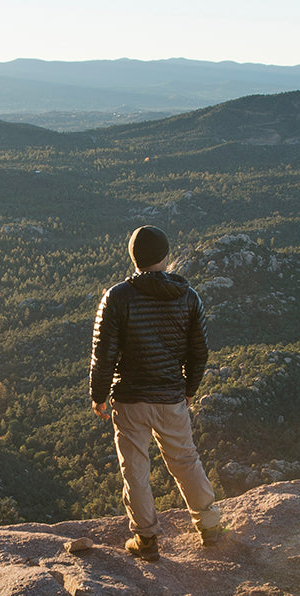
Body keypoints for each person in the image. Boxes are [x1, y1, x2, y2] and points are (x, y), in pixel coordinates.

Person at [89, 225, 220, 562]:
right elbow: (199, 351)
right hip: (171, 397)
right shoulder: (188, 297)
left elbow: (103, 353)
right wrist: (189, 389)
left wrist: (98, 394)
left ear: (134, 258)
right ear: (165, 257)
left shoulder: (117, 297)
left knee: (135, 469)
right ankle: (209, 526)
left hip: (130, 398)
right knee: (185, 460)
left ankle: (146, 539)